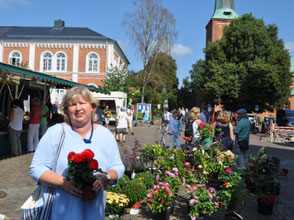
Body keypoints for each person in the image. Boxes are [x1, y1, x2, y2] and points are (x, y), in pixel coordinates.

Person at [30, 86, 125, 219]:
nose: (78, 108)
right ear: (67, 110)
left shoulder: (105, 135)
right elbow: (36, 168)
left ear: (92, 107)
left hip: (94, 214)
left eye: (82, 103)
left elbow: (118, 167)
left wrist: (106, 177)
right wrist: (63, 182)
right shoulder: (55, 133)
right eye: (73, 104)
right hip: (61, 214)